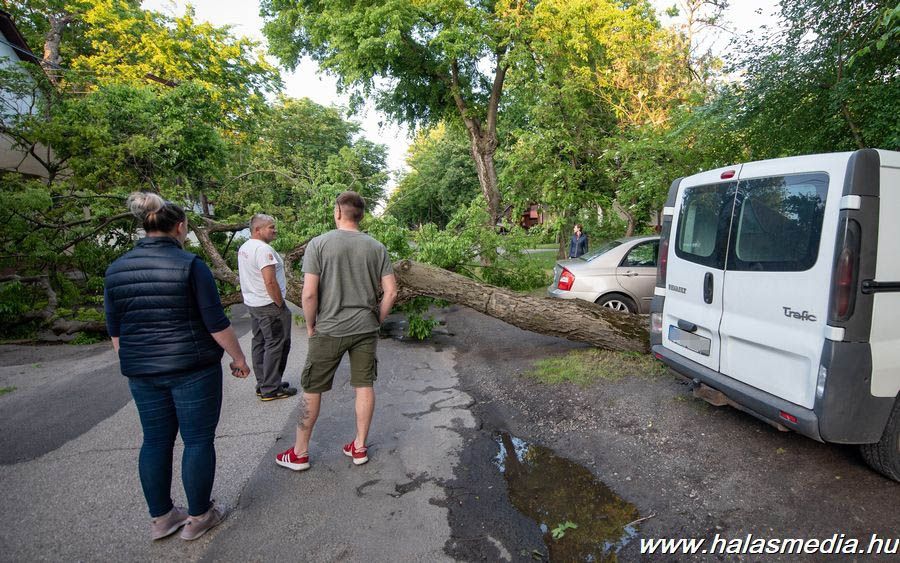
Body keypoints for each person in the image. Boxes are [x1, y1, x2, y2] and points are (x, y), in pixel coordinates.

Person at [104, 192, 251, 541]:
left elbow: (115, 328)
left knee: (154, 440)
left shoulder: (116, 269)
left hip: (141, 370)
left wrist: (135, 361)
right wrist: (238, 358)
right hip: (192, 367)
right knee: (198, 439)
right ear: (180, 227)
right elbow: (215, 322)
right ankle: (200, 515)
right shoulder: (190, 265)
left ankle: (162, 518)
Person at [275, 191, 398, 471]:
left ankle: (300, 453)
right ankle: (359, 447)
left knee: (312, 388)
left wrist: (309, 325)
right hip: (365, 327)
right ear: (361, 215)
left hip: (328, 329)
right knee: (364, 386)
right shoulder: (377, 247)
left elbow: (308, 295)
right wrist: (376, 319)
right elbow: (391, 292)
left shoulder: (319, 244)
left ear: (338, 212)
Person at [237, 214, 298, 401]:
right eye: (271, 227)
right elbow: (270, 281)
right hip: (269, 304)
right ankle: (272, 388)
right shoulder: (263, 250)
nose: (275, 230)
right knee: (277, 344)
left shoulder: (245, 247)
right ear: (257, 230)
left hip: (254, 303)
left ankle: (264, 382)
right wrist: (279, 304)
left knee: (261, 343)